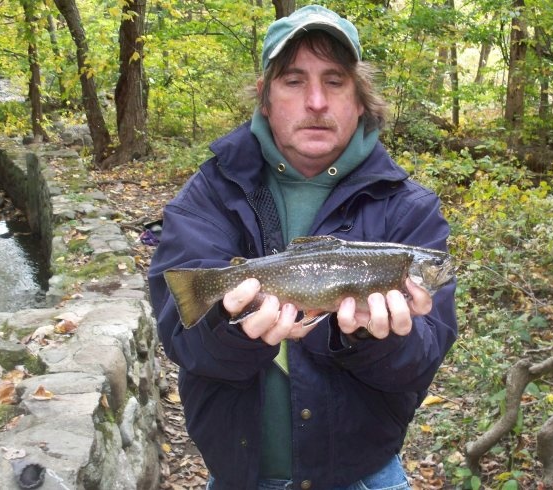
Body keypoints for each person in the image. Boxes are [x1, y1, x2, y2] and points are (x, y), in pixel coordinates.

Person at [148, 5, 457, 490]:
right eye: (294, 81)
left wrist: (373, 338)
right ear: (265, 99)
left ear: (360, 100)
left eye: (334, 81)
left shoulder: (409, 210)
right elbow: (181, 340)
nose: (316, 101)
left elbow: (421, 362)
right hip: (240, 476)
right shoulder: (208, 195)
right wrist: (233, 330)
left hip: (365, 474)